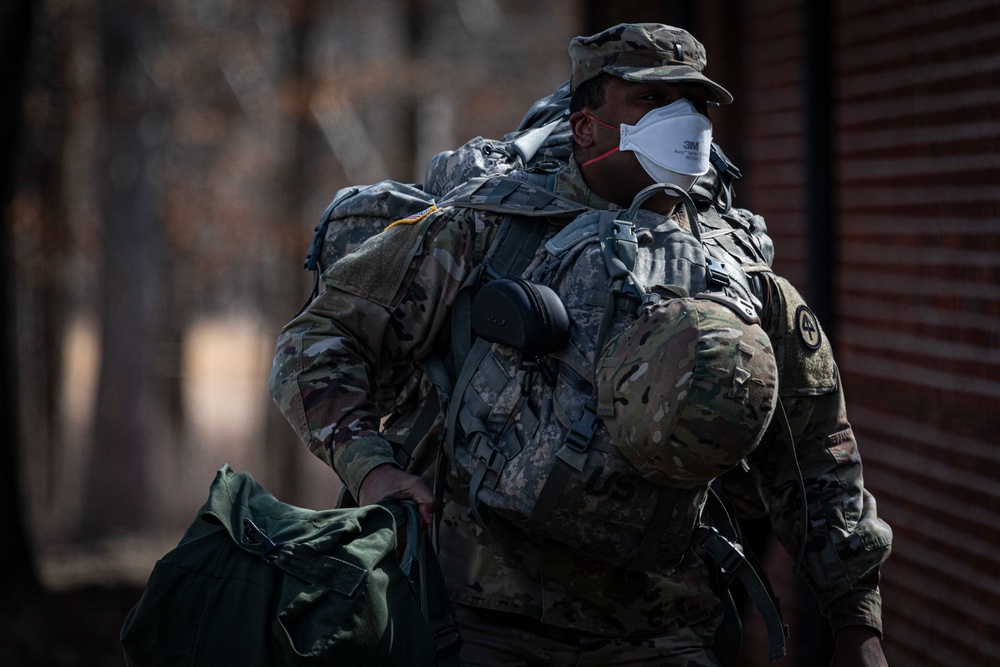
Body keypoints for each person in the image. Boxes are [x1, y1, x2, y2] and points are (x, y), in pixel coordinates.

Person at [268, 23, 891, 666]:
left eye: (696, 102)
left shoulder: (739, 277)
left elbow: (816, 453)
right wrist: (372, 467)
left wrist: (857, 622)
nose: (685, 120)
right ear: (587, 125)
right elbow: (318, 339)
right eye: (653, 100)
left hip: (664, 631)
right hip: (479, 620)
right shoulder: (485, 230)